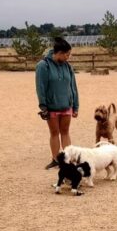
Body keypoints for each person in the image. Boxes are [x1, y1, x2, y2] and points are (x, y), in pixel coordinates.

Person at [35, 37, 79, 169]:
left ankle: (67, 159)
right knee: (54, 133)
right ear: (59, 53)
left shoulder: (68, 67)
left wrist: (75, 105)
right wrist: (43, 106)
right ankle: (55, 159)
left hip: (66, 105)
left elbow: (73, 86)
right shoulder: (43, 66)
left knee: (65, 132)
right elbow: (40, 87)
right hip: (51, 106)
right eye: (67, 54)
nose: (68, 57)